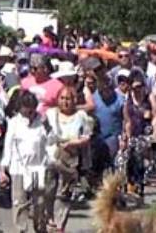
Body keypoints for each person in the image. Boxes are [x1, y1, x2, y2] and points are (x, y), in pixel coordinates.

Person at [45, 85, 93, 232]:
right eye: (62, 98)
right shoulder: (50, 114)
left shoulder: (82, 117)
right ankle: (49, 218)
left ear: (74, 100)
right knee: (49, 189)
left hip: (71, 157)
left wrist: (74, 142)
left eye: (68, 99)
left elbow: (87, 137)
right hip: (51, 155)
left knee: (64, 193)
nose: (65, 102)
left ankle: (60, 225)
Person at [1, 92, 49, 233]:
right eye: (25, 108)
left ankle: (39, 228)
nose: (29, 111)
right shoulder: (14, 122)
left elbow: (50, 141)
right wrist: (4, 166)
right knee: (20, 202)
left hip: (37, 168)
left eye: (31, 107)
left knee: (38, 202)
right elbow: (8, 144)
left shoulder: (42, 121)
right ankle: (21, 229)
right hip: (19, 168)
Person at [122, 71, 152, 196]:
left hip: (145, 132)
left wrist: (152, 132)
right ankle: (130, 183)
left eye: (139, 87)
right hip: (133, 133)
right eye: (134, 87)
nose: (136, 90)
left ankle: (140, 183)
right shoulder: (127, 100)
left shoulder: (149, 99)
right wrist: (127, 137)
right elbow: (127, 120)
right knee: (128, 155)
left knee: (140, 156)